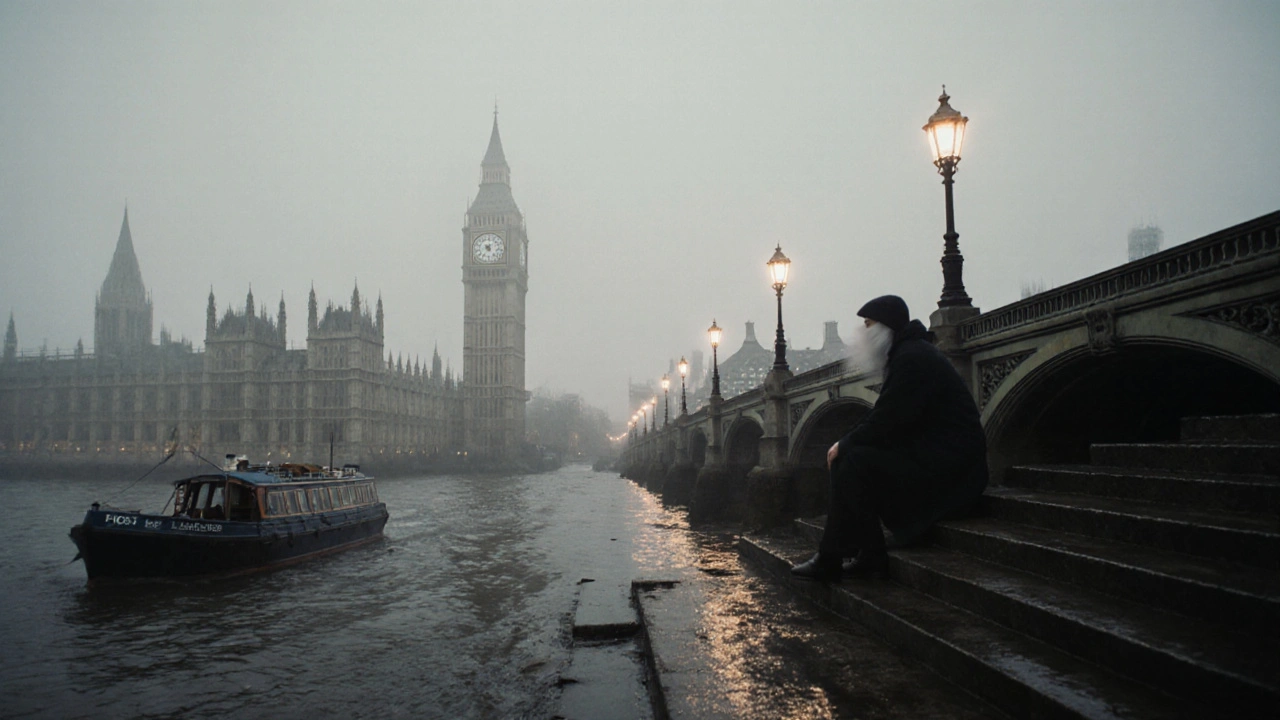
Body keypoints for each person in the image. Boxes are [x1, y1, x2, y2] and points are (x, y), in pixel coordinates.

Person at [791, 295, 988, 582]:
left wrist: (844, 444)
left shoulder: (911, 359)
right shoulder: (909, 354)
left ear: (886, 328)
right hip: (942, 460)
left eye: (868, 325)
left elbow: (886, 420)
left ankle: (841, 555)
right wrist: (846, 443)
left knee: (853, 459)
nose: (862, 334)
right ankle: (857, 554)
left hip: (956, 472)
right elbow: (886, 417)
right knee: (852, 457)